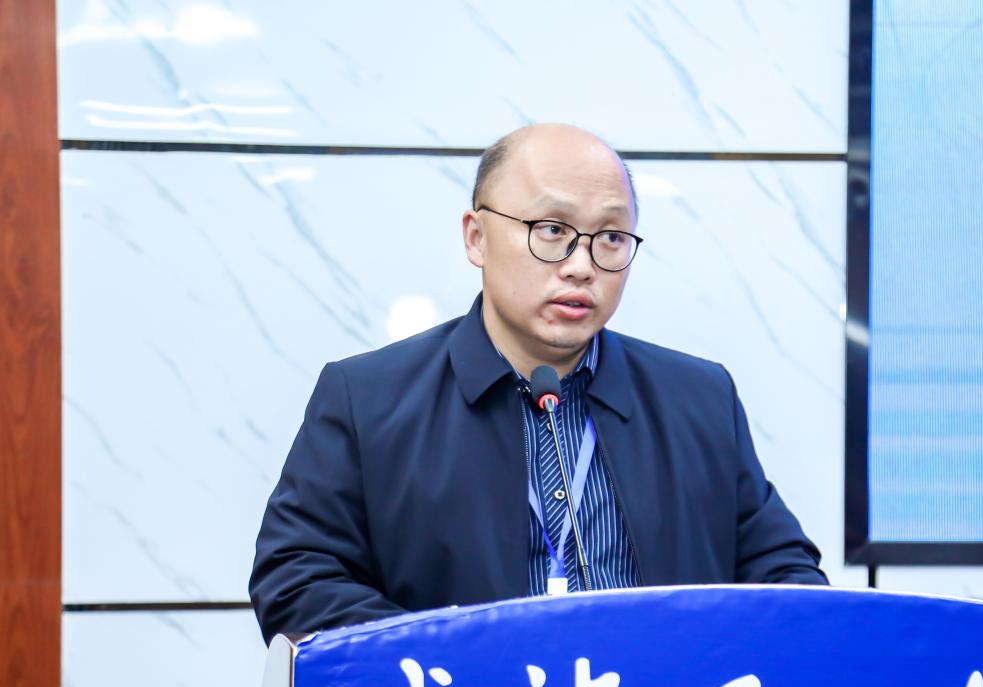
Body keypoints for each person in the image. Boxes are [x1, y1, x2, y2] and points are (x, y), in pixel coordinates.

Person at [249, 123, 826, 641]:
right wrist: (451, 659)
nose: (582, 265)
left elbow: (785, 575)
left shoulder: (699, 397)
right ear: (476, 237)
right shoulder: (367, 398)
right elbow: (297, 580)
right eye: (551, 229)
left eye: (611, 238)